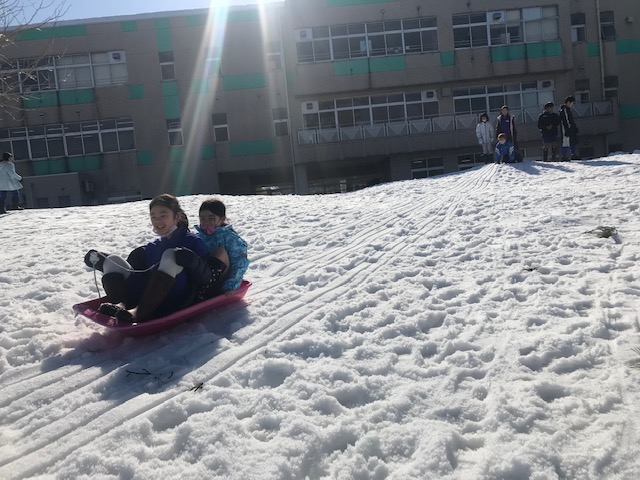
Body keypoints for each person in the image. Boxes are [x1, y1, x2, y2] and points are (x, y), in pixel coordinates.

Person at [84, 194, 212, 323]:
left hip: (176, 299)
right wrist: (102, 260)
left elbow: (206, 279)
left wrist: (193, 261)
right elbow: (136, 271)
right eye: (153, 217)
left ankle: (138, 313)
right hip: (148, 297)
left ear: (177, 217)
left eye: (163, 216)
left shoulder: (193, 241)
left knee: (171, 255)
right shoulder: (153, 246)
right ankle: (119, 305)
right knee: (114, 259)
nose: (157, 221)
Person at [193, 198, 249, 299]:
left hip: (221, 281)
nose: (206, 222)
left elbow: (239, 263)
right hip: (201, 279)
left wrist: (230, 285)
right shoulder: (198, 237)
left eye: (211, 218)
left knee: (219, 252)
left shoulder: (230, 238)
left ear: (222, 219)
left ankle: (207, 289)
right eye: (202, 219)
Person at [559, 95, 580, 161]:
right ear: (568, 102)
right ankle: (563, 156)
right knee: (566, 142)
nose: (572, 105)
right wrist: (568, 129)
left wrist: (574, 127)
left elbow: (571, 120)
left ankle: (573, 154)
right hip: (566, 129)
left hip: (571, 128)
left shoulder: (568, 110)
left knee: (573, 141)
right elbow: (566, 120)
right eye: (572, 103)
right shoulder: (565, 110)